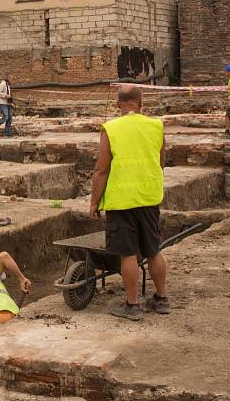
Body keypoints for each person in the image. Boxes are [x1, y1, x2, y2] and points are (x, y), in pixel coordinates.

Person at [89, 86, 168, 321]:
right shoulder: (156, 126)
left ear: (118, 105)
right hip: (149, 198)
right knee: (153, 251)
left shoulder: (111, 129)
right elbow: (160, 162)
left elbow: (101, 170)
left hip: (122, 202)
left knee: (128, 254)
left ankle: (132, 305)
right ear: (141, 104)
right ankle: (162, 299)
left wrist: (94, 203)